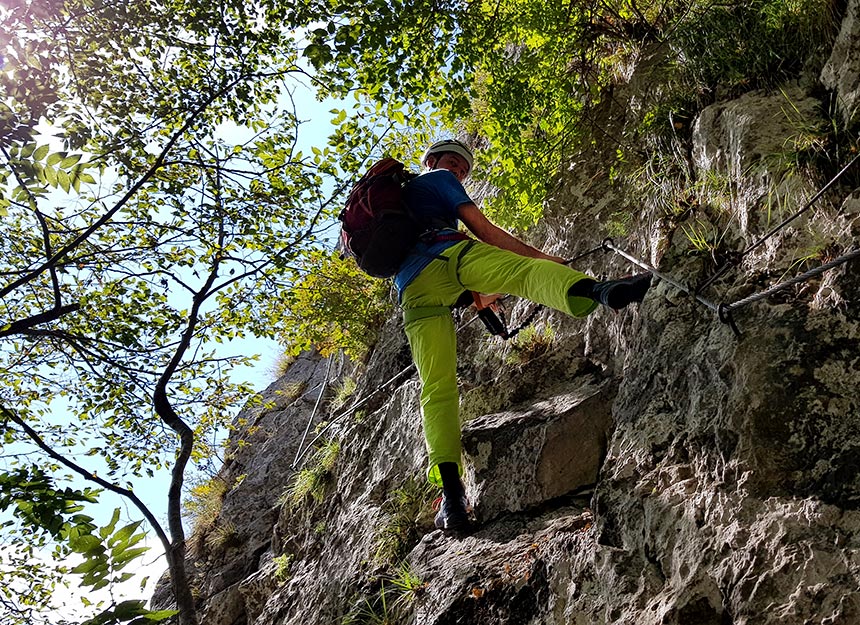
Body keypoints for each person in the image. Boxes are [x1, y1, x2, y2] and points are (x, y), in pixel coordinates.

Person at [396, 139, 651, 531]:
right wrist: (550, 261)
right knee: (525, 273)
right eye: (453, 163)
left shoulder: (399, 203)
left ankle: (452, 499)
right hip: (448, 253)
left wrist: (481, 299)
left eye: (463, 169)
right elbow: (486, 232)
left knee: (437, 390)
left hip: (414, 293)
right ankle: (600, 291)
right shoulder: (439, 178)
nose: (458, 171)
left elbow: (458, 285)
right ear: (431, 161)